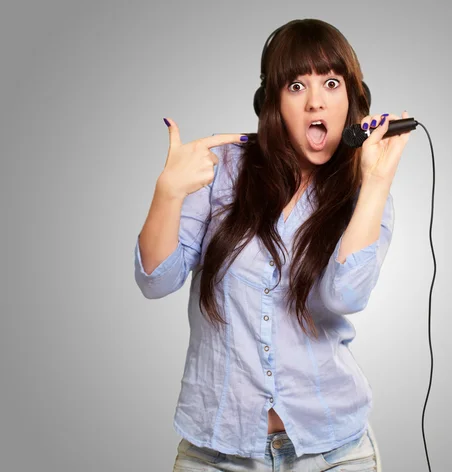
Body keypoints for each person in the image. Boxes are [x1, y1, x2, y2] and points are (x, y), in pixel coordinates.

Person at [134, 18, 410, 472]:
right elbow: (156, 280)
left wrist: (376, 181)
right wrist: (168, 191)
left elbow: (345, 295)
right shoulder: (221, 169)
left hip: (335, 453)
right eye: (297, 85)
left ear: (352, 99)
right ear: (272, 101)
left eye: (332, 83)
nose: (316, 100)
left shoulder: (366, 195)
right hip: (216, 451)